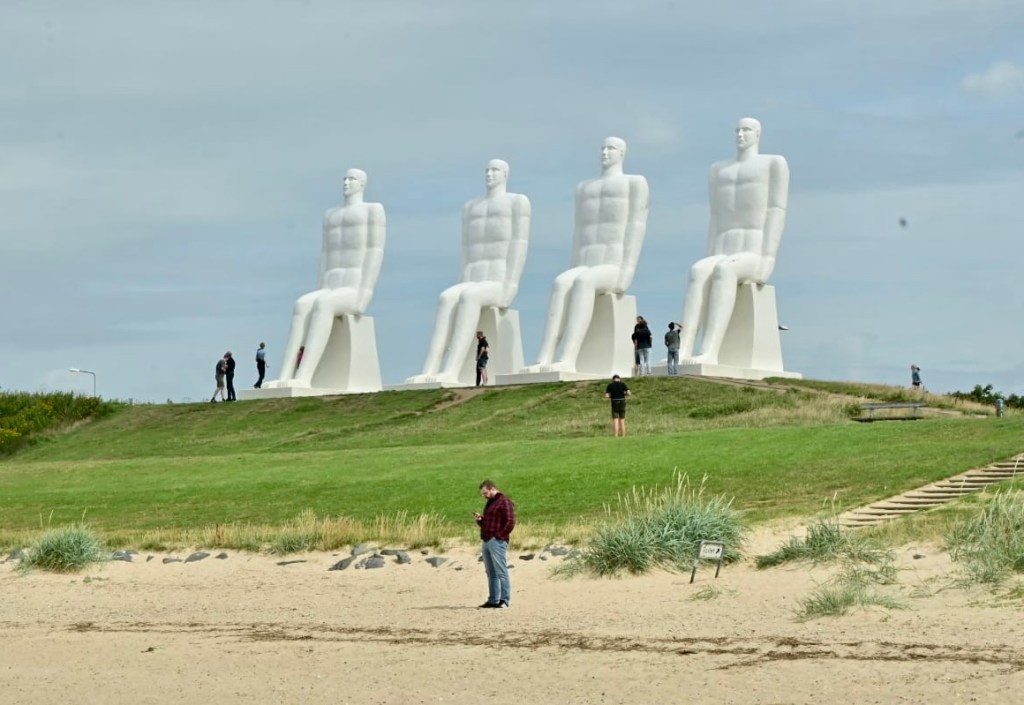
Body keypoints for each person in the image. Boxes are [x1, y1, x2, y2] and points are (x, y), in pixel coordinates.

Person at [523, 137, 650, 373]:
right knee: (562, 282)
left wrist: (627, 271)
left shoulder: (634, 183)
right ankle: (545, 357)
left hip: (612, 264)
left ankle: (568, 357)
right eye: (603, 148)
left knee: (584, 282)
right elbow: (579, 232)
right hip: (585, 262)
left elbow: (636, 225)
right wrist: (574, 265)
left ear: (622, 153)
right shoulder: (585, 187)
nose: (605, 152)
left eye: (611, 148)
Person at [406, 160, 530, 384]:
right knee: (447, 297)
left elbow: (519, 244)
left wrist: (510, 286)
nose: (490, 174)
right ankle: (430, 369)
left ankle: (452, 370)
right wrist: (460, 282)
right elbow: (466, 251)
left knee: (470, 297)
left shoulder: (517, 202)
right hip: (472, 278)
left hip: (497, 279)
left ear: (506, 174)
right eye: (487, 170)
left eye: (495, 170)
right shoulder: (471, 207)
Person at [679, 118, 790, 365]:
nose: (740, 135)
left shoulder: (773, 163)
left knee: (725, 270)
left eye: (746, 130)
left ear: (758, 134)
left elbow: (776, 210)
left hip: (753, 250)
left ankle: (711, 350)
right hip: (723, 248)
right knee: (698, 270)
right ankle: (684, 349)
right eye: (737, 130)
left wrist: (768, 259)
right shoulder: (719, 169)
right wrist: (709, 253)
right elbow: (716, 217)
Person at [269, 168, 386, 388]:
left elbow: (375, 251)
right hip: (331, 286)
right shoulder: (331, 215)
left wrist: (365, 295)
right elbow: (325, 255)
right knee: (303, 303)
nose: (346, 183)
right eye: (344, 178)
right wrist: (320, 287)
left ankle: (305, 376)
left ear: (362, 184)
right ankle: (285, 374)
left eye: (352, 179)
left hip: (352, 288)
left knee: (324, 304)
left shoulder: (373, 210)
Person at [473, 480, 516, 608]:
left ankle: (504, 600)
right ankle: (493, 600)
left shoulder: (504, 501)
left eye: (485, 493)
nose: (484, 496)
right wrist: (481, 520)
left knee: (501, 571)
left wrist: (499, 536)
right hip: (486, 540)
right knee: (491, 572)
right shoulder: (490, 502)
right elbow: (490, 522)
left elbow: (510, 521)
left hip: (496, 541)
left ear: (492, 489)